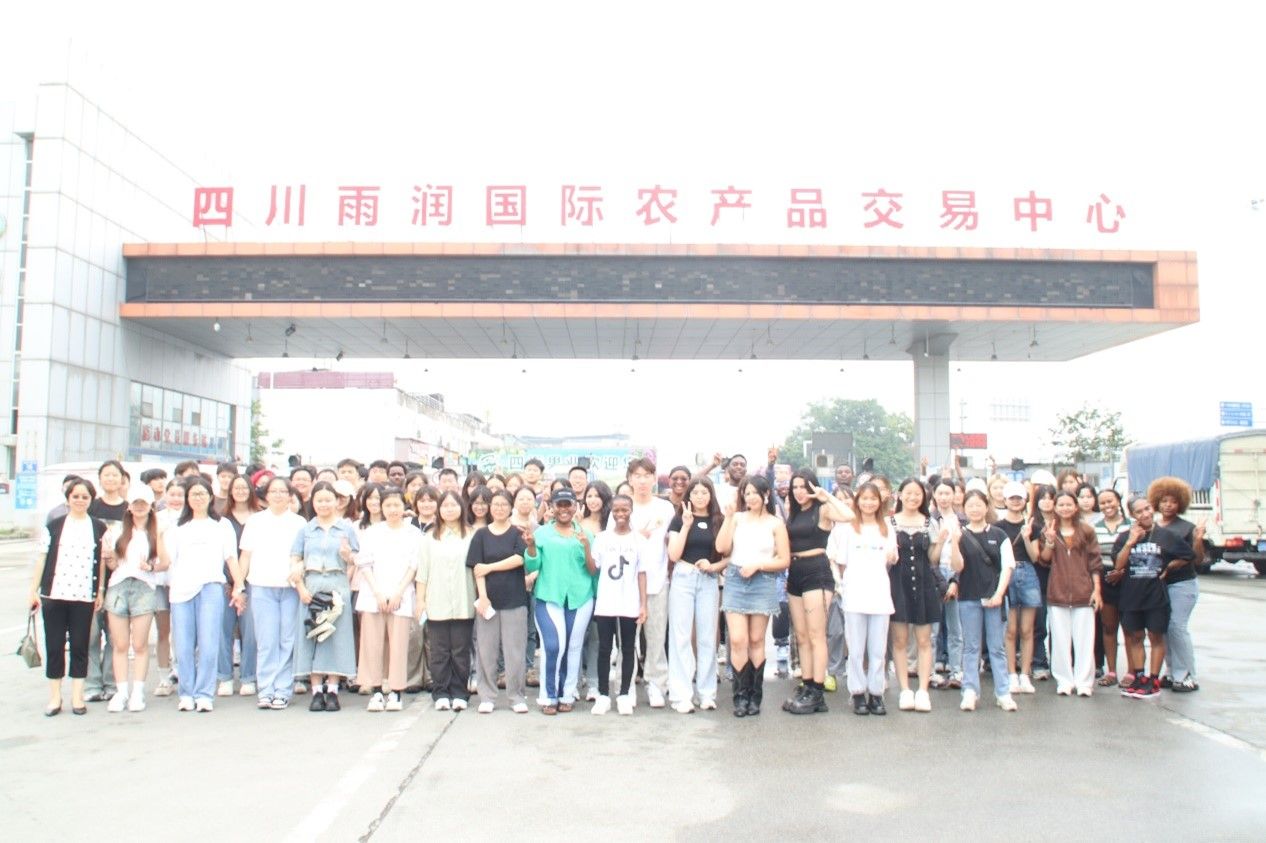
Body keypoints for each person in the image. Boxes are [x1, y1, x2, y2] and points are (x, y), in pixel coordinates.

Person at [160, 476, 242, 712]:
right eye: (193, 494)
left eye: (202, 493)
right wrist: (158, 535)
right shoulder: (176, 527)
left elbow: (231, 558)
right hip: (181, 589)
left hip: (211, 587)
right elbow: (167, 560)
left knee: (209, 642)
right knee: (184, 644)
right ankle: (186, 692)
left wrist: (239, 585)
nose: (198, 498)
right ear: (187, 498)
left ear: (210, 496)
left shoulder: (222, 525)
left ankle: (204, 693)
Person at [29, 479, 109, 716]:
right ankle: (55, 697)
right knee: (54, 645)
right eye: (76, 496)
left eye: (85, 497)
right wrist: (33, 590)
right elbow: (42, 558)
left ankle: (77, 697)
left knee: (80, 646)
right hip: (54, 594)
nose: (80, 501)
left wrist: (99, 590)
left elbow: (101, 562)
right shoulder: (54, 526)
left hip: (83, 596)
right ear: (68, 499)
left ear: (91, 500)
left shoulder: (98, 527)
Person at [716, 474, 790, 718]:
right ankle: (739, 695)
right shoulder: (737, 518)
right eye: (746, 493)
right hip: (736, 579)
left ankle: (754, 695)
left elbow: (784, 559)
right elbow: (721, 548)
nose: (750, 497)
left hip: (762, 580)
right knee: (738, 639)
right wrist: (728, 518)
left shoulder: (775, 523)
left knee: (757, 640)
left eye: (754, 493)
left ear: (765, 494)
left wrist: (758, 565)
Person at [781, 469, 853, 715]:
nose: (799, 491)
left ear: (812, 486)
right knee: (801, 635)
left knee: (816, 635)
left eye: (804, 486)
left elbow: (849, 515)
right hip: (795, 572)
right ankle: (807, 683)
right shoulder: (793, 512)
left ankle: (817, 690)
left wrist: (827, 496)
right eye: (795, 487)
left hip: (817, 572)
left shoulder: (822, 510)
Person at [524, 487, 597, 714]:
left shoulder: (585, 534)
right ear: (552, 507)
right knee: (554, 646)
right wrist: (531, 547)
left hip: (580, 598)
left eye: (568, 504)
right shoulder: (542, 534)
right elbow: (533, 565)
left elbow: (593, 570)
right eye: (559, 505)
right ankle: (548, 695)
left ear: (576, 507)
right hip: (549, 597)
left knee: (573, 648)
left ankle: (567, 694)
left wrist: (586, 546)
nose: (564, 509)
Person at [289, 481, 360, 712]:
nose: (324, 504)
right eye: (319, 500)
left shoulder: (346, 529)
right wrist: (301, 588)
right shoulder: (306, 530)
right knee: (313, 635)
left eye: (328, 500)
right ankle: (316, 691)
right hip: (312, 584)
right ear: (313, 502)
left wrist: (348, 556)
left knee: (336, 638)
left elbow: (356, 560)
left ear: (337, 501)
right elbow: (295, 560)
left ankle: (333, 690)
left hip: (337, 583)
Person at [239, 476, 307, 710]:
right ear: (266, 496)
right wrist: (239, 586)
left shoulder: (299, 523)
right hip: (261, 586)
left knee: (287, 640)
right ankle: (266, 689)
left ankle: (283, 690)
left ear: (290, 496)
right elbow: (245, 556)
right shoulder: (255, 521)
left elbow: (303, 555)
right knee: (266, 640)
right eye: (273, 491)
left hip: (290, 589)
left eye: (283, 491)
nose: (278, 495)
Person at [355, 487, 421, 713]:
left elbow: (414, 565)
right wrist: (377, 593)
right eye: (388, 505)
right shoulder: (372, 532)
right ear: (381, 508)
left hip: (401, 596)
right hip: (374, 595)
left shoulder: (413, 534)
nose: (393, 509)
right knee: (372, 645)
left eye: (397, 505)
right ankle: (375, 690)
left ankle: (396, 691)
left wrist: (399, 592)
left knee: (398, 646)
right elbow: (364, 563)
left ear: (404, 506)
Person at [952, 489, 1018, 711]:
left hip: (994, 598)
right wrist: (954, 542)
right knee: (971, 647)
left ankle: (1003, 692)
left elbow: (1008, 566)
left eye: (978, 505)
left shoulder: (999, 534)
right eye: (970, 505)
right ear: (964, 508)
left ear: (986, 506)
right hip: (968, 597)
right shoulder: (961, 535)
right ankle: (970, 691)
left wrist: (999, 594)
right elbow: (957, 567)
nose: (974, 509)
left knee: (997, 647)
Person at [836, 482, 898, 716]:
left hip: (879, 593)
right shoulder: (848, 529)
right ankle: (857, 692)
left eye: (873, 499)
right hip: (855, 594)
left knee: (878, 649)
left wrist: (891, 556)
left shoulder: (887, 527)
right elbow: (841, 563)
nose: (869, 503)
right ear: (857, 500)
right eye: (864, 498)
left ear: (880, 502)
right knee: (855, 648)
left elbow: (892, 557)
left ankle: (876, 692)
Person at [468, 489, 531, 714]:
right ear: (489, 507)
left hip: (515, 600)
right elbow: (477, 568)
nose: (499, 508)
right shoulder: (481, 535)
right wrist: (483, 596)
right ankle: (487, 696)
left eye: (504, 504)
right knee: (486, 650)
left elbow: (519, 559)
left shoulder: (517, 533)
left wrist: (491, 567)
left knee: (515, 651)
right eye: (495, 504)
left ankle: (516, 696)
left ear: (511, 507)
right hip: (488, 601)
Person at [667, 478, 725, 712]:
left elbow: (727, 554)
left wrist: (713, 566)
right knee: (680, 636)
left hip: (708, 579)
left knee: (707, 637)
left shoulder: (719, 521)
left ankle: (707, 693)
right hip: (683, 576)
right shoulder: (679, 518)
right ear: (689, 495)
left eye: (704, 492)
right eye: (696, 492)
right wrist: (686, 525)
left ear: (711, 495)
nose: (700, 496)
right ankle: (681, 695)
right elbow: (673, 554)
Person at [1037, 491, 1103, 697]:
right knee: (1059, 640)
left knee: (1085, 640)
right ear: (1055, 507)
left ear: (1076, 507)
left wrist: (1097, 590)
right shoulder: (1049, 530)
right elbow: (1044, 560)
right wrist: (1049, 541)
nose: (1065, 508)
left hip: (1084, 593)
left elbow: (1095, 563)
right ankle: (1064, 680)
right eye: (1061, 504)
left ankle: (1084, 682)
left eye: (1068, 504)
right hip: (1057, 593)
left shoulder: (1086, 530)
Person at [1111, 496, 1177, 699]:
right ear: (1132, 515)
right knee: (1135, 637)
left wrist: (1169, 568)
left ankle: (1154, 680)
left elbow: (1187, 556)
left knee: (1156, 637)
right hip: (1132, 596)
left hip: (1156, 596)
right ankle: (1139, 677)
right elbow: (1118, 565)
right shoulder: (1124, 537)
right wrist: (1131, 542)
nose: (1145, 514)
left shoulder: (1166, 535)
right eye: (1139, 511)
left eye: (1147, 508)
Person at [104, 485, 163, 713]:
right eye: (136, 503)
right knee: (120, 644)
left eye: (143, 503)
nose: (139, 507)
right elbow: (112, 564)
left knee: (139, 644)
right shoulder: (117, 531)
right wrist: (109, 557)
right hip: (118, 587)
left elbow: (165, 562)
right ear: (129, 506)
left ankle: (137, 691)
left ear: (150, 506)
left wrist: (151, 567)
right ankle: (121, 692)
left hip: (144, 587)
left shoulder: (156, 532)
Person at [623, 458, 676, 708]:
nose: (642, 480)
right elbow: (613, 541)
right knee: (627, 640)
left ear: (654, 479)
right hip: (626, 585)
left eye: (647, 475)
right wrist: (636, 537)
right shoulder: (622, 507)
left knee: (655, 637)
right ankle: (626, 686)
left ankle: (656, 684)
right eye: (637, 475)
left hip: (657, 581)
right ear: (630, 479)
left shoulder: (665, 508)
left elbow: (672, 542)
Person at [417, 490, 477, 711]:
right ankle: (441, 692)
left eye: (453, 505)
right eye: (445, 505)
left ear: (461, 508)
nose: (449, 509)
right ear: (439, 510)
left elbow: (477, 570)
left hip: (464, 599)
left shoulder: (471, 535)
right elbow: (422, 573)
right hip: (436, 601)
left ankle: (459, 691)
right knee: (439, 651)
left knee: (461, 650)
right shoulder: (429, 538)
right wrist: (420, 601)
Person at [589, 495, 647, 715]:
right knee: (605, 648)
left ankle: (624, 694)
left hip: (629, 602)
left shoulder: (639, 540)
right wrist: (585, 544)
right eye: (616, 510)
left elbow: (642, 573)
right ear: (611, 512)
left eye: (625, 510)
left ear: (631, 511)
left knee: (628, 648)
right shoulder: (602, 538)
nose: (621, 514)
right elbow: (593, 567)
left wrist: (643, 604)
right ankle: (603, 694)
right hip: (606, 602)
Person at [890, 478, 943, 712]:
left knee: (924, 640)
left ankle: (922, 690)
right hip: (897, 585)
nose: (913, 497)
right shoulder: (889, 522)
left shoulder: (930, 522)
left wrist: (941, 542)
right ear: (900, 495)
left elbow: (933, 559)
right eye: (908, 493)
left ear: (924, 497)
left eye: (918, 494)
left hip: (924, 585)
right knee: (900, 640)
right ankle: (904, 690)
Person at [1148, 476, 1205, 692]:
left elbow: (1197, 559)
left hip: (1183, 584)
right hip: (1159, 586)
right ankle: (1172, 672)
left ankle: (1188, 675)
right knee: (1163, 628)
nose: (1168, 505)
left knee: (1177, 627)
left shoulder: (1187, 528)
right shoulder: (1153, 528)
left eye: (1173, 501)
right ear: (1157, 502)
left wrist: (1198, 539)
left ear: (1180, 503)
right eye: (1164, 501)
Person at [85, 460, 127, 703]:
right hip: (90, 580)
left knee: (115, 636)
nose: (111, 479)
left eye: (115, 475)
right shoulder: (91, 507)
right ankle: (92, 683)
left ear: (122, 479)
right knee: (90, 635)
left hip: (119, 580)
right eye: (106, 475)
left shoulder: (129, 510)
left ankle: (111, 682)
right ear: (100, 479)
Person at [995, 480, 1041, 696]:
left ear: (1025, 500)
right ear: (1004, 500)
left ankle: (1025, 674)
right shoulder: (997, 527)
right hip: (1007, 573)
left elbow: (1035, 557)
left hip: (1028, 572)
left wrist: (1026, 537)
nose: (1015, 501)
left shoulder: (1033, 526)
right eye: (1011, 498)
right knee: (1010, 630)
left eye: (1019, 498)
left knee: (1027, 629)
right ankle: (1011, 674)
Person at [218, 474, 261, 697]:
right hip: (224, 581)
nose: (241, 491)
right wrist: (232, 582)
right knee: (222, 630)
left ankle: (248, 677)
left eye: (245, 487)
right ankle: (224, 677)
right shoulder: (221, 519)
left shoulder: (260, 517)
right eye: (237, 488)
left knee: (250, 631)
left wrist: (241, 584)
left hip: (253, 581)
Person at [1094, 488, 1131, 687]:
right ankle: (1112, 671)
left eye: (1110, 501)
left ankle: (1132, 671)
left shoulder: (1132, 525)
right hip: (1105, 579)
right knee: (1108, 627)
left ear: (1118, 501)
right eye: (1103, 503)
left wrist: (1122, 571)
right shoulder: (1094, 527)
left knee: (1130, 628)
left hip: (1128, 580)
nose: (1107, 506)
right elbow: (1093, 557)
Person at [1028, 483, 1057, 681]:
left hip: (1060, 577)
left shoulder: (1063, 522)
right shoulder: (1033, 524)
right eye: (1042, 498)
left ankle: (1060, 663)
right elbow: (1036, 557)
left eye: (1050, 497)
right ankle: (1039, 662)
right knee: (1039, 623)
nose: (1047, 502)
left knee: (1059, 626)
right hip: (1038, 577)